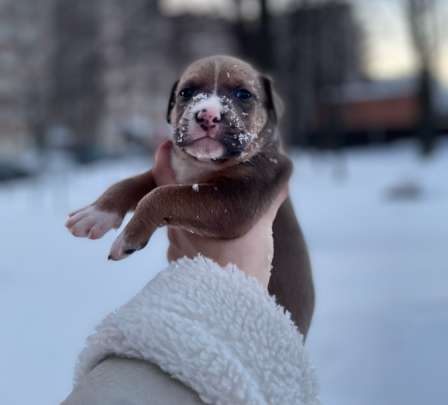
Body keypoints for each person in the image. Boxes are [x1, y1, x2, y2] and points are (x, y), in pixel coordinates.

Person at [62, 142, 319, 405]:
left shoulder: (258, 159)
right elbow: (152, 181)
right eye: (186, 97)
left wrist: (158, 207)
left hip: (268, 320)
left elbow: (232, 206)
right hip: (215, 328)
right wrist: (112, 202)